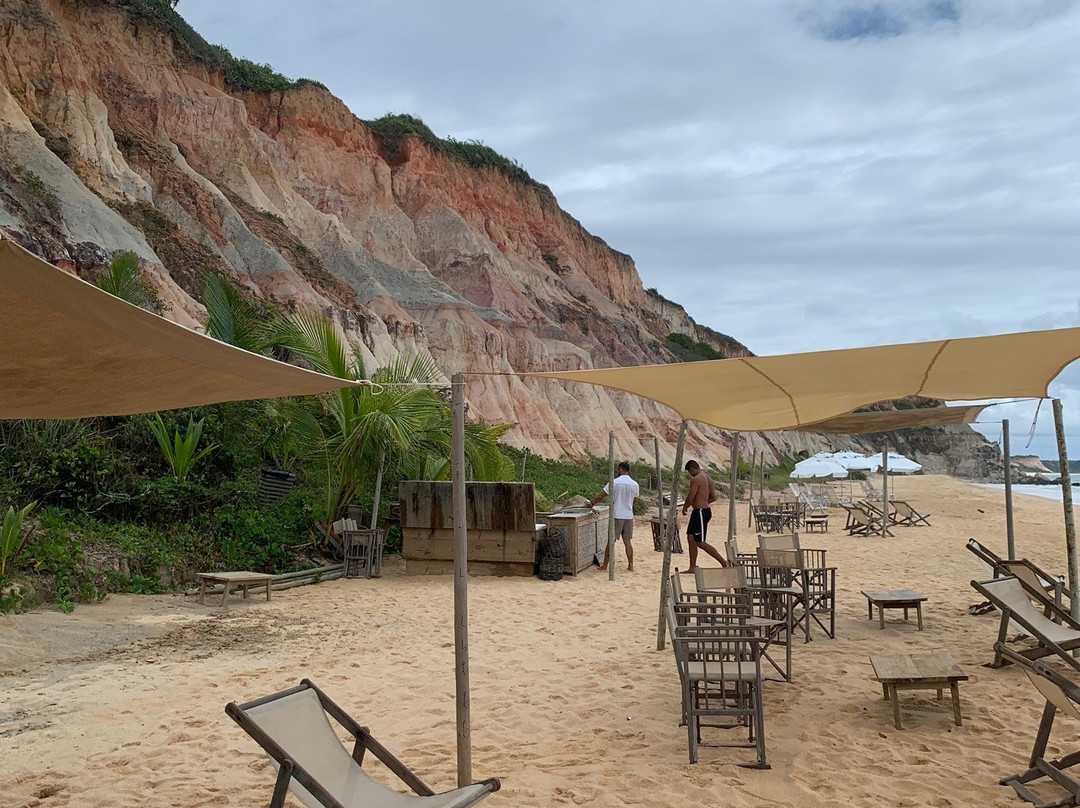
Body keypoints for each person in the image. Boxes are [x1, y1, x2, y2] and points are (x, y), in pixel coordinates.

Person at [589, 462, 640, 571]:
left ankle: (605, 565)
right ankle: (631, 565)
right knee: (627, 542)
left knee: (611, 541)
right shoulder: (635, 484)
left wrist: (592, 503)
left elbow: (601, 495)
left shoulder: (615, 482)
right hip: (628, 515)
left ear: (620, 469)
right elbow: (634, 500)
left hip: (617, 515)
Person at [681, 459, 727, 572]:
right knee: (690, 538)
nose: (690, 474)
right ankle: (692, 567)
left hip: (701, 512)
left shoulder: (696, 479)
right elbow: (713, 497)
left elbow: (691, 496)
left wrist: (685, 507)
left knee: (700, 542)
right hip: (700, 511)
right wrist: (703, 502)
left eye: (690, 472)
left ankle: (724, 562)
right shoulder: (708, 478)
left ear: (692, 469)